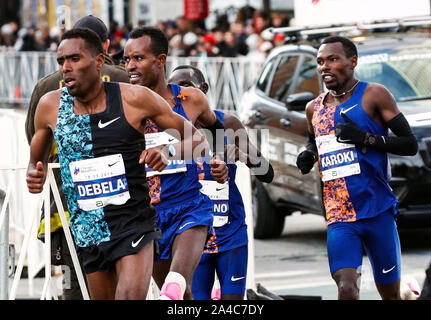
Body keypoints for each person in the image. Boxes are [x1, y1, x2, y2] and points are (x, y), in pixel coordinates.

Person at [26, 28, 206, 300]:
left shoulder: (134, 98)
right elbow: (35, 159)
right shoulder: (50, 106)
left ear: (99, 61)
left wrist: (168, 151)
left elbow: (198, 139)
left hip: (132, 223)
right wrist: (33, 173)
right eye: (61, 61)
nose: (66, 67)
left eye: (75, 59)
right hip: (87, 228)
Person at [296, 36, 418, 300]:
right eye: (320, 62)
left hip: (377, 210)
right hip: (339, 216)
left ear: (352, 62)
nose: (324, 67)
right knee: (346, 286)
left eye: (332, 59)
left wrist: (365, 138)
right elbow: (313, 141)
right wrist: (308, 154)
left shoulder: (374, 94)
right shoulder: (313, 108)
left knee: (390, 295)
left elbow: (409, 144)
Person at [23, 15, 130, 300]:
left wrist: (40, 168)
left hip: (67, 199)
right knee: (122, 281)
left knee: (75, 280)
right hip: (124, 200)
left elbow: (33, 139)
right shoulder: (125, 79)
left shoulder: (47, 88)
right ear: (105, 46)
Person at [123, 26, 228, 300]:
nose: (131, 66)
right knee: (183, 295)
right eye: (127, 59)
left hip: (188, 207)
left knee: (173, 288)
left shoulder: (189, 99)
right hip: (148, 215)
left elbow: (214, 133)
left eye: (139, 58)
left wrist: (216, 159)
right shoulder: (124, 105)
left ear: (160, 60)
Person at [168, 64, 274, 300]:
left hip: (231, 233)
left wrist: (244, 155)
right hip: (192, 238)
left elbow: (268, 173)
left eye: (185, 87)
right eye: (175, 89)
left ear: (202, 89)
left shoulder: (228, 124)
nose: (179, 95)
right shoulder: (171, 129)